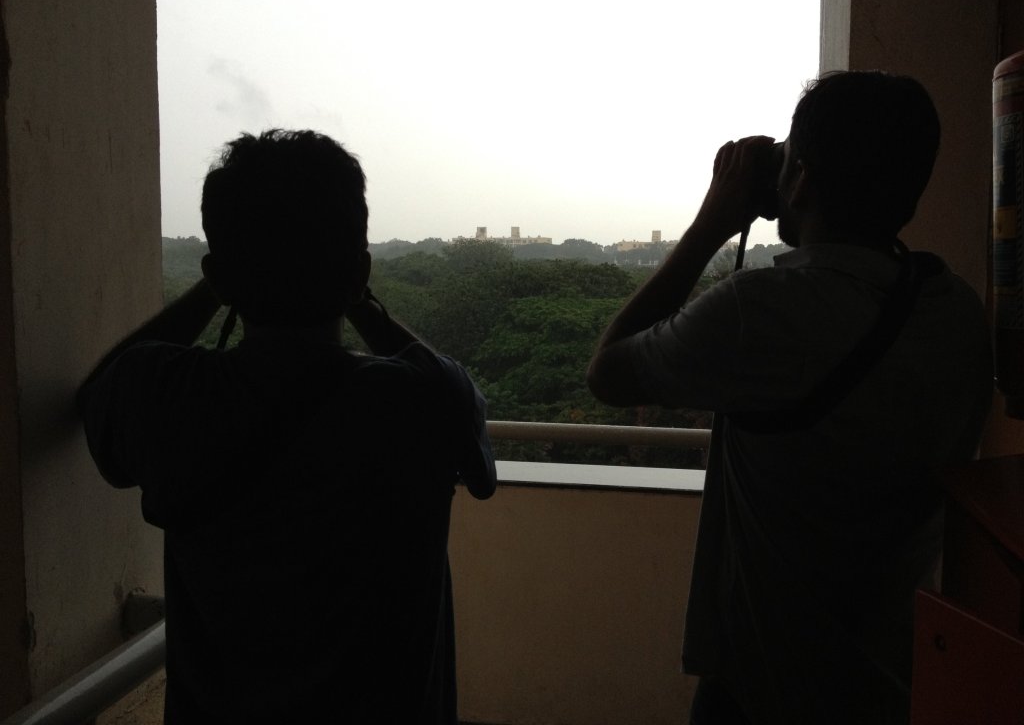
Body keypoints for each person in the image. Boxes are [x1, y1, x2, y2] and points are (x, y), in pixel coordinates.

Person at [587, 71, 992, 724]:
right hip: (898, 677)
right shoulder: (957, 314)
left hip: (762, 682)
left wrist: (711, 222)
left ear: (800, 179)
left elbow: (607, 371)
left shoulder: (762, 312)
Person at [77, 129, 497, 723]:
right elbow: (479, 467)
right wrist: (363, 302)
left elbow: (98, 394)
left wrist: (216, 286)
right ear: (358, 271)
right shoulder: (422, 401)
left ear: (222, 275)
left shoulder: (171, 394)